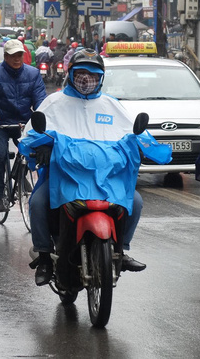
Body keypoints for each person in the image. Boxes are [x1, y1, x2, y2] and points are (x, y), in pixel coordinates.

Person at [22, 49, 165, 285]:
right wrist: (41, 147)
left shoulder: (111, 105)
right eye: (81, 74)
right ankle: (45, 255)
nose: (86, 79)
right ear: (71, 74)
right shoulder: (54, 103)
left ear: (101, 78)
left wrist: (144, 148)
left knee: (136, 202)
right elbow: (30, 134)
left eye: (93, 75)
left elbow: (135, 134)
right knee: (37, 203)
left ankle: (122, 248)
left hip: (107, 179)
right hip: (65, 177)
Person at [0, 40, 47, 213]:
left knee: (39, 152)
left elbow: (40, 100)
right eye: (12, 56)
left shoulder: (33, 74)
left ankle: (21, 174)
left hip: (23, 122)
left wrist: (41, 119)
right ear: (6, 57)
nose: (16, 59)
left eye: (19, 55)